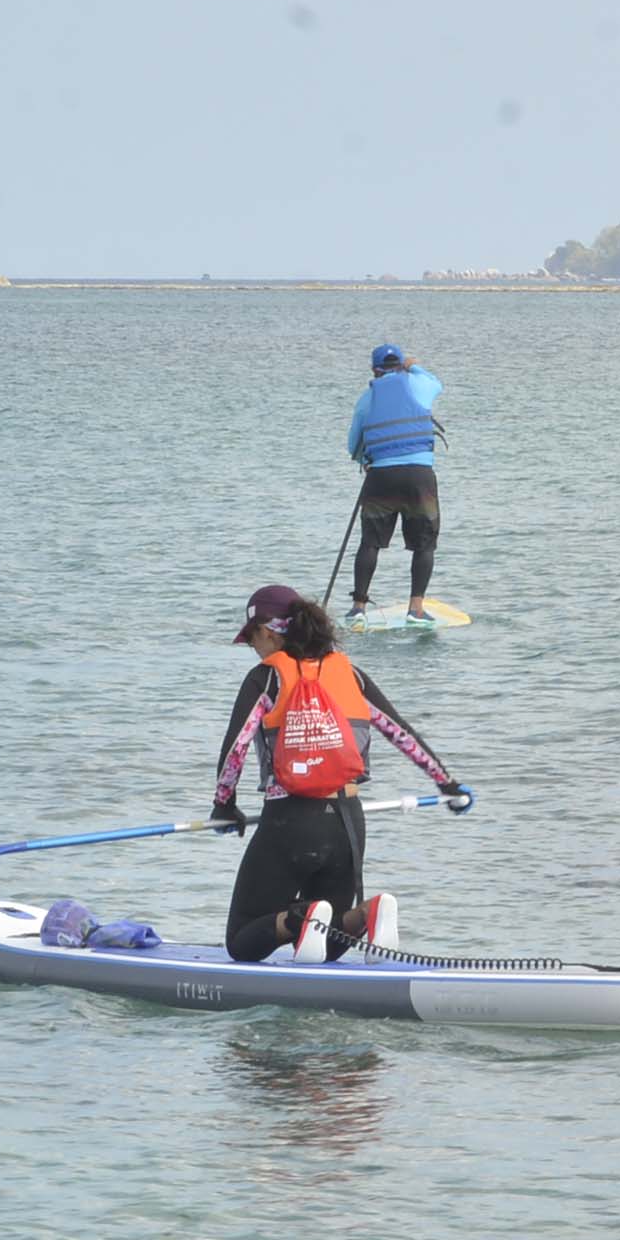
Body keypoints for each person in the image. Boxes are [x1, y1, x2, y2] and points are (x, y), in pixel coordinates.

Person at [210, 584, 472, 964]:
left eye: (252, 637)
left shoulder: (265, 678)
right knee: (331, 941)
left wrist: (224, 805)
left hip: (291, 822)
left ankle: (301, 918)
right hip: (348, 824)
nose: (252, 646)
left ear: (268, 630)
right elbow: (401, 733)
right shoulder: (350, 673)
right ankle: (368, 912)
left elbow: (235, 749)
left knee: (243, 941)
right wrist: (448, 784)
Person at [344, 341, 443, 620]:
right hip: (419, 476)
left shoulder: (367, 399)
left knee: (370, 543)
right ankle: (416, 608)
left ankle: (359, 608)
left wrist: (366, 458)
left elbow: (354, 445)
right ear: (401, 366)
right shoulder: (418, 385)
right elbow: (436, 382)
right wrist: (414, 366)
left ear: (374, 371)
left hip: (381, 477)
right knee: (424, 544)